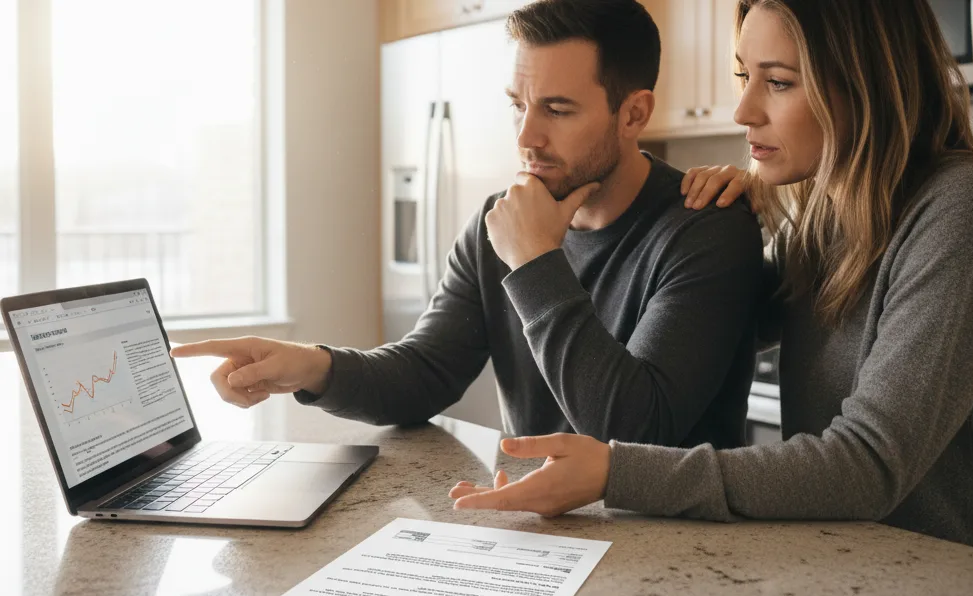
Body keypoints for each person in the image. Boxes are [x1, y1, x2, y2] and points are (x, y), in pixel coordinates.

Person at [449, 0, 973, 559]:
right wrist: (725, 234)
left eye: (777, 82)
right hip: (851, 563)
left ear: (866, 82)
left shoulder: (967, 208)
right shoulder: (824, 220)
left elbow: (868, 465)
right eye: (743, 75)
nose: (743, 110)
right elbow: (725, 314)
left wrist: (615, 472)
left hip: (965, 578)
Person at [170, 0, 764, 449]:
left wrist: (534, 261)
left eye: (557, 110)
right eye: (517, 105)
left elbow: (635, 430)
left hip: (673, 558)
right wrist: (311, 365)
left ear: (633, 113)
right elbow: (425, 373)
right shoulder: (495, 223)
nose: (527, 137)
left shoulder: (704, 230)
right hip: (538, 532)